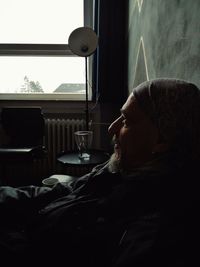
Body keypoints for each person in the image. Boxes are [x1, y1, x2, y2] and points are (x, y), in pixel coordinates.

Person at [0, 78, 199, 266]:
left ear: (161, 140)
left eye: (127, 121)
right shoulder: (117, 169)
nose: (112, 128)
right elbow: (63, 192)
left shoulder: (159, 226)